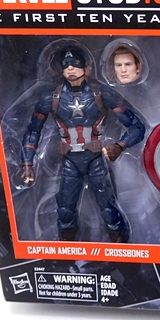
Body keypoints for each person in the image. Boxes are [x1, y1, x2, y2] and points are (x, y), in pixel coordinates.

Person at [20, 46, 145, 242]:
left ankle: (122, 248)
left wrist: (119, 146)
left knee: (109, 209)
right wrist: (27, 164)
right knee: (65, 211)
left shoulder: (102, 93)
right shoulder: (50, 97)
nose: (70, 68)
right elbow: (33, 131)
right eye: (65, 65)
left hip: (97, 160)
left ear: (87, 68)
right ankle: (69, 250)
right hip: (70, 161)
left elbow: (137, 126)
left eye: (75, 63)